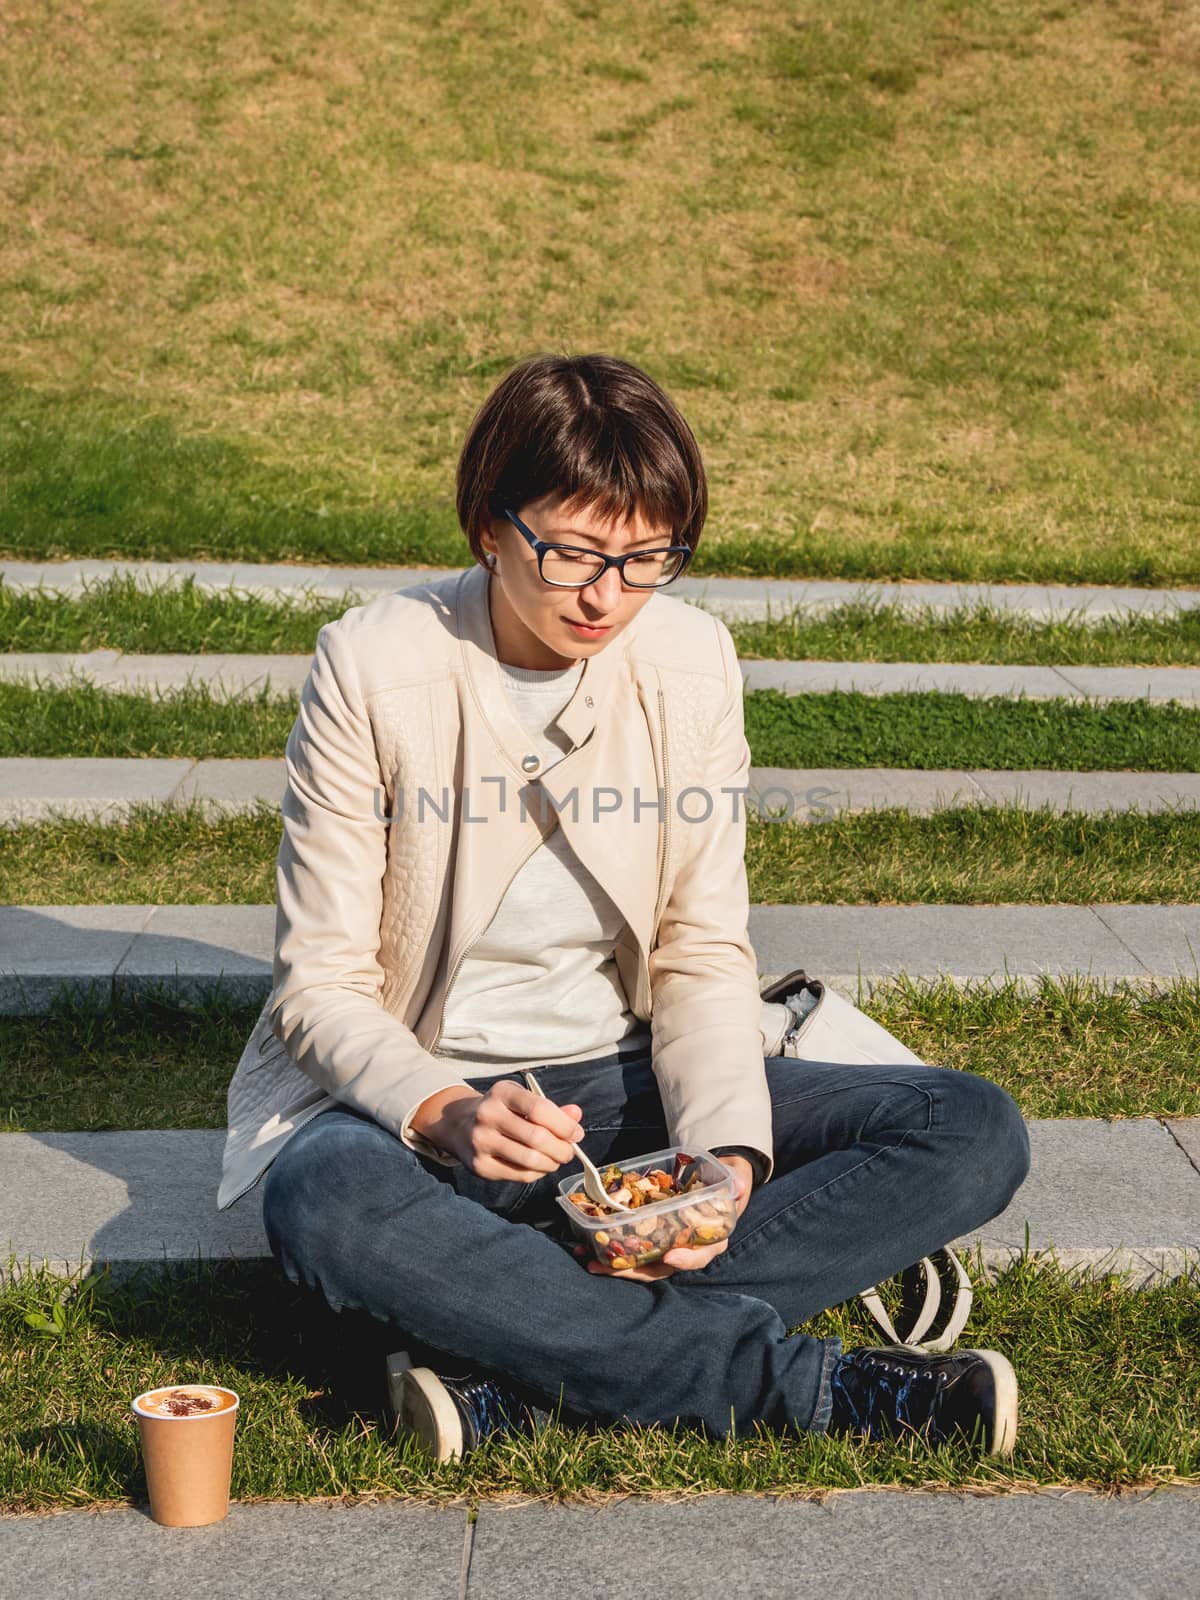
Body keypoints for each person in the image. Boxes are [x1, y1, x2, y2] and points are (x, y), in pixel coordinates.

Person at [217, 353, 1031, 1463]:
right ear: (489, 525)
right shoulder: (374, 665)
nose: (609, 595)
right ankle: (810, 1388)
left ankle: (521, 1358)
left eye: (648, 558)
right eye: (575, 553)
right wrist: (448, 1110)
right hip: (428, 1104)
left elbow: (702, 948)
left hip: (622, 1084)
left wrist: (730, 1158)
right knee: (318, 1199)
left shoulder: (690, 660)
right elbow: (319, 986)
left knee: (969, 1129)